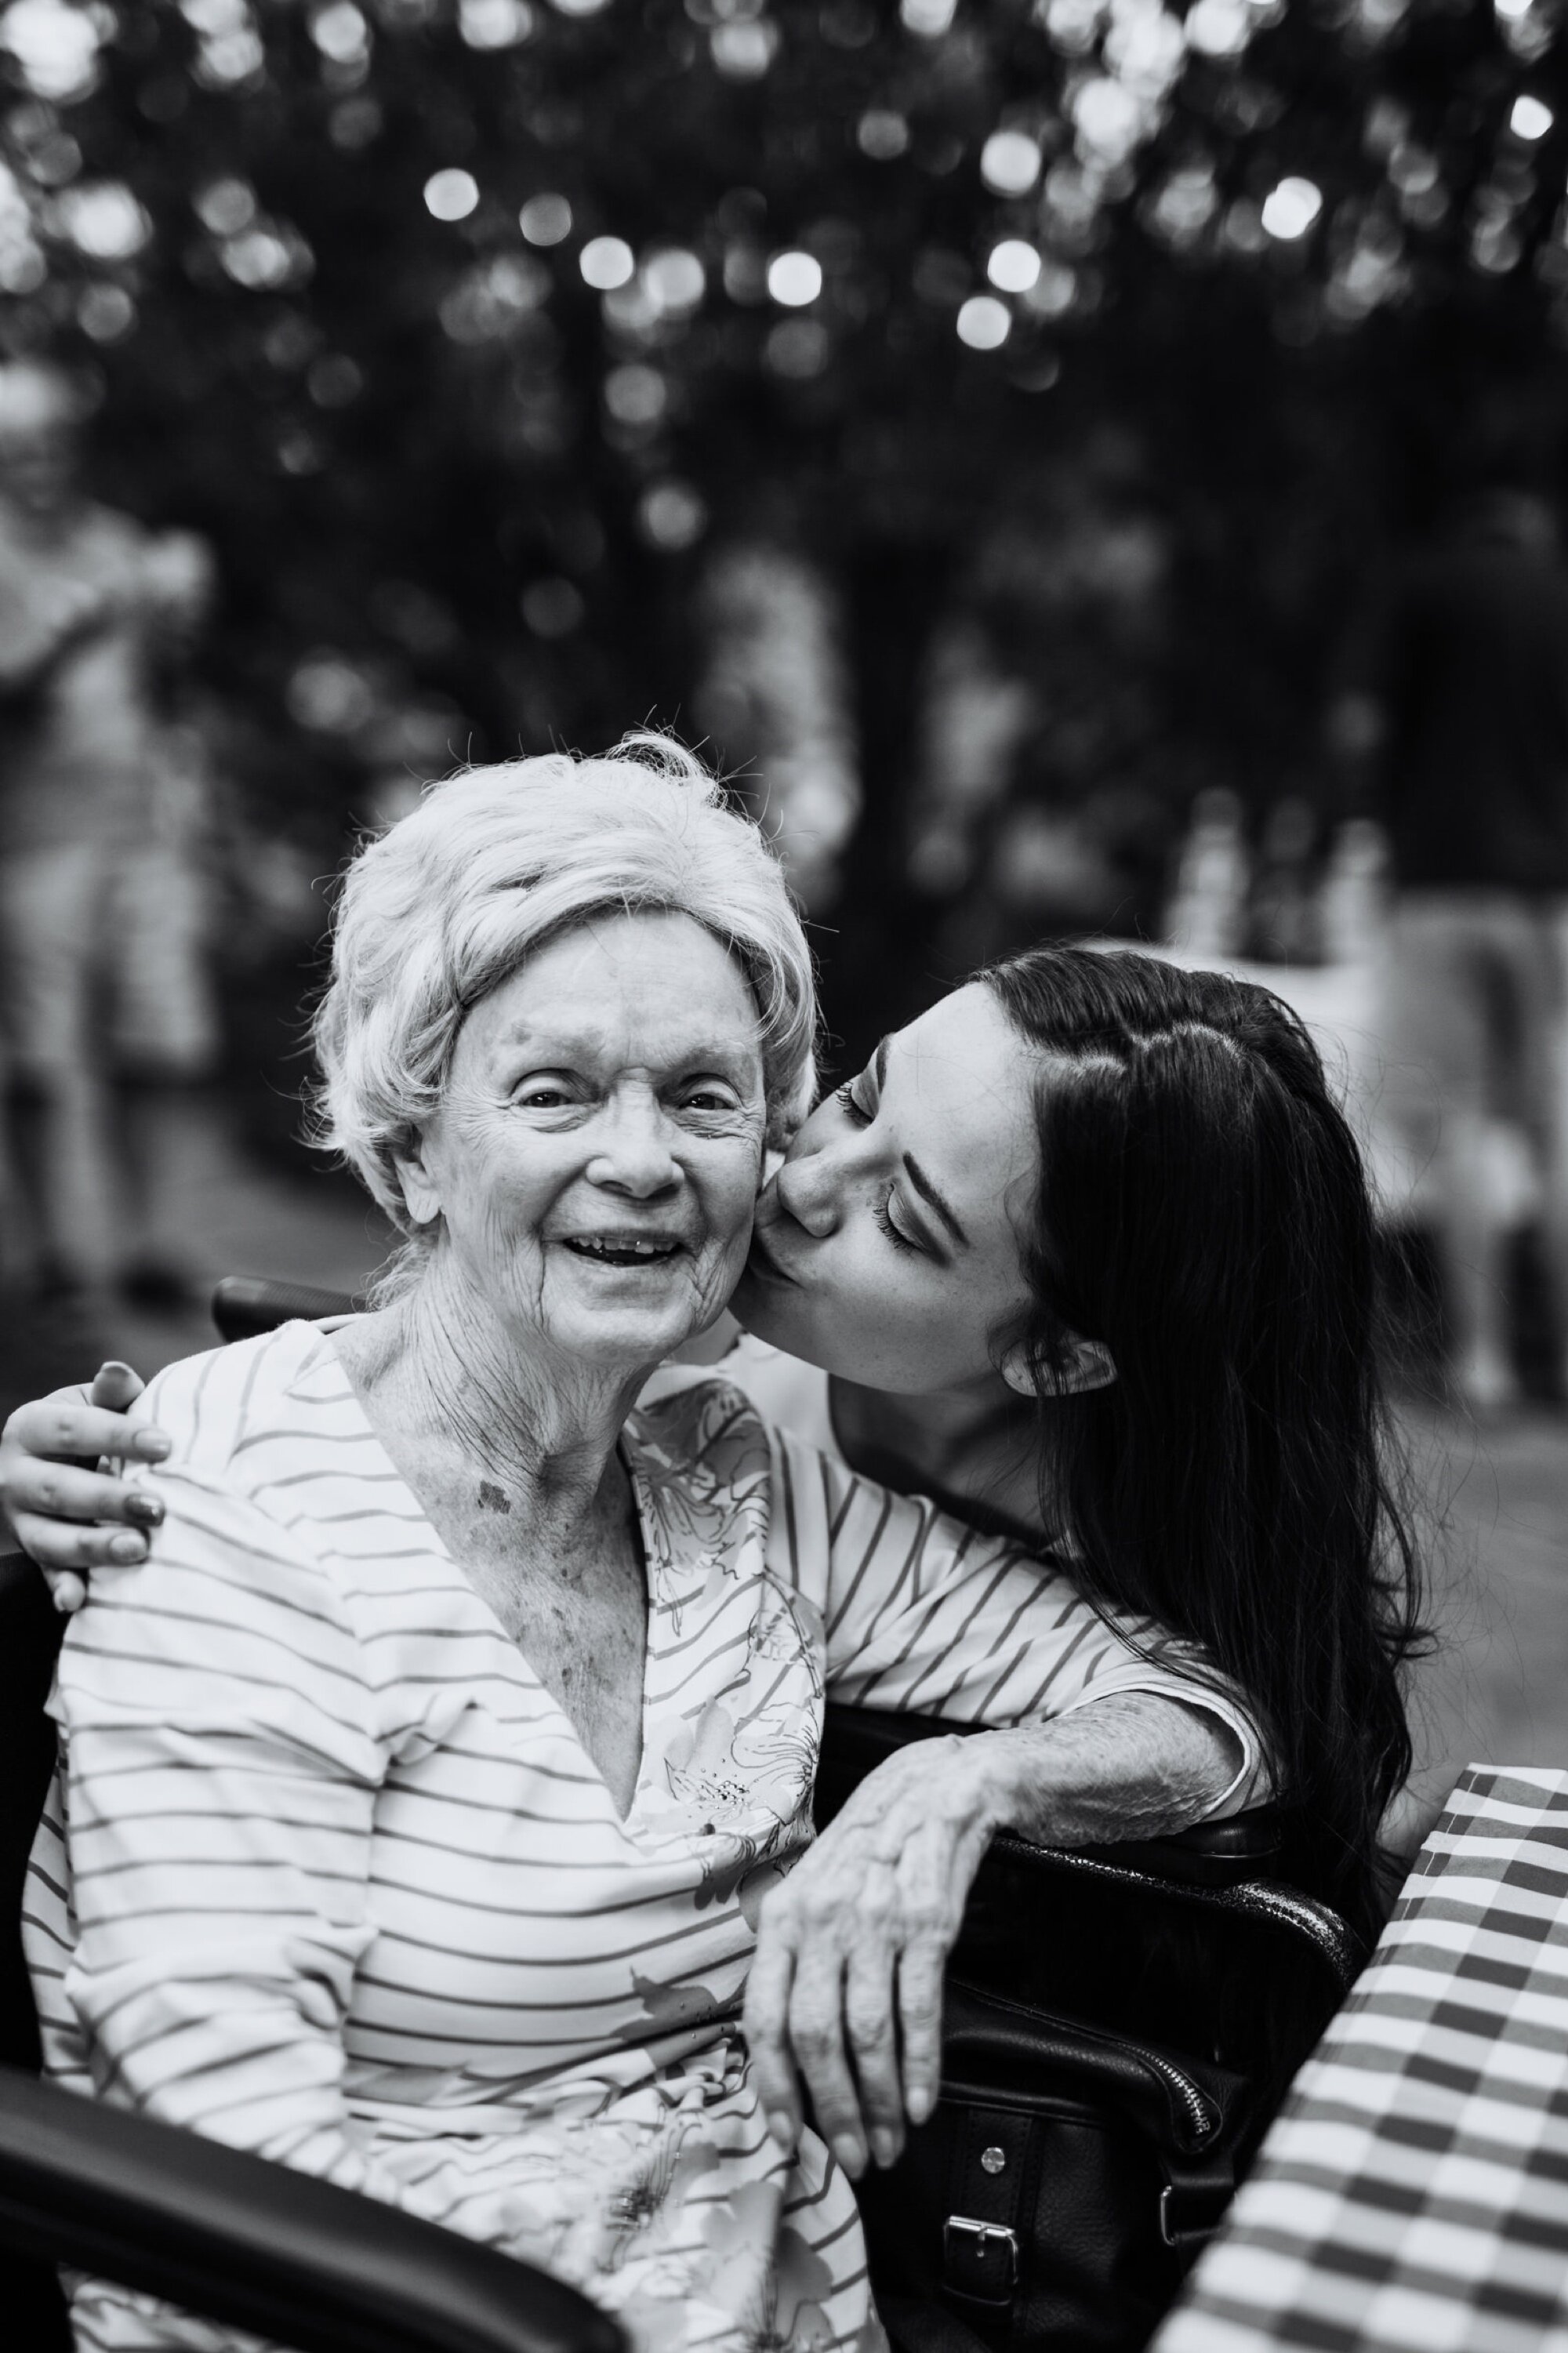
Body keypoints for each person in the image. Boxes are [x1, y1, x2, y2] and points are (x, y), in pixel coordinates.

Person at [9, 740, 1284, 2353]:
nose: (641, 1159)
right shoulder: (227, 1501)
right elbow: (225, 2188)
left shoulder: (740, 1482)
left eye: (702, 1095)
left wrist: (954, 1785)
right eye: (553, 1092)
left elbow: (1210, 1726)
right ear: (410, 1148)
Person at [1327, 484, 1568, 1412]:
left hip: (1439, 888)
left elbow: (1358, 726)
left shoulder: (1423, 591)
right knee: (1558, 1120)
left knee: (1463, 1121)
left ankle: (1482, 1362)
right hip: (1552, 899)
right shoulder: (1559, 599)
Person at [0, 358, 216, 1304]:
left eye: (50, 442)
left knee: (155, 1043)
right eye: (16, 449)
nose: (38, 462)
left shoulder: (119, 546)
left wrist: (176, 621)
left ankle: (148, 1245)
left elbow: (165, 695)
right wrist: (61, 636)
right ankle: (51, 1255)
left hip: (140, 835)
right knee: (41, 1059)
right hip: (32, 841)